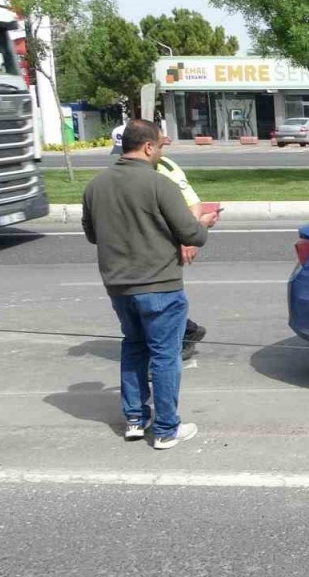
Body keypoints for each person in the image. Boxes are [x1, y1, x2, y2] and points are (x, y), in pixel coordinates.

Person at [81, 120, 220, 450]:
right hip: (160, 285)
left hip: (119, 286)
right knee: (165, 356)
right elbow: (191, 234)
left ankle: (134, 419)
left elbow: (92, 235)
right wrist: (205, 222)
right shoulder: (160, 184)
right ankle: (166, 429)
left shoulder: (95, 186)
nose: (160, 152)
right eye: (159, 146)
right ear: (147, 147)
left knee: (133, 346)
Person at [155, 154, 207, 360]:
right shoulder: (124, 167)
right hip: (146, 241)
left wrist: (188, 238)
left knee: (160, 296)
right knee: (153, 297)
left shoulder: (165, 167)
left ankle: (183, 334)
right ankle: (186, 330)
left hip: (165, 242)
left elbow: (193, 203)